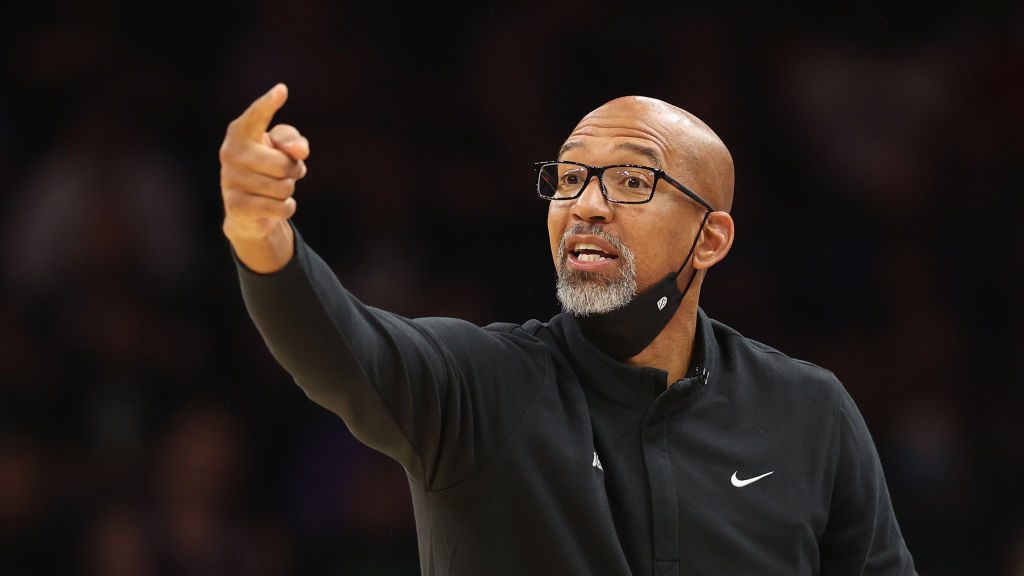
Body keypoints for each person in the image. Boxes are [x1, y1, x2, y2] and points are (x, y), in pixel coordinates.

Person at [221, 84, 916, 575]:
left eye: (632, 183)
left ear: (711, 238)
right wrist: (259, 231)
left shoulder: (809, 410)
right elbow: (338, 348)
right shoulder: (479, 384)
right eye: (570, 176)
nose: (587, 204)